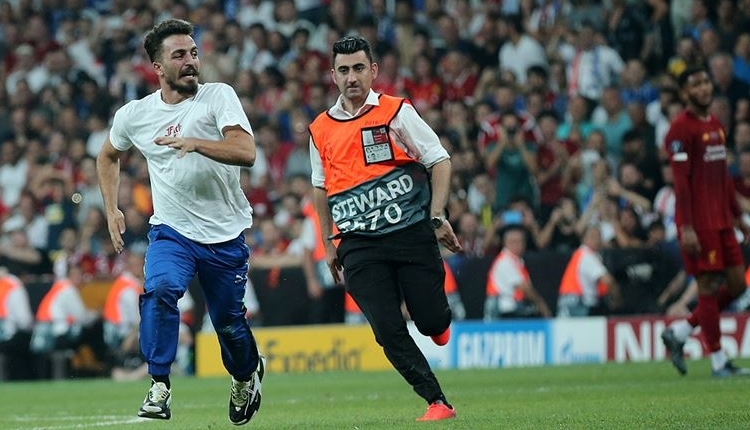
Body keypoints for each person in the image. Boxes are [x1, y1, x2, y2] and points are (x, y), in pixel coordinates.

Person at [96, 19, 264, 424]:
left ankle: (246, 375)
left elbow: (246, 151)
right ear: (158, 66)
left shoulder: (217, 97)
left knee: (227, 324)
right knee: (160, 290)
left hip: (224, 234)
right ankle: (158, 385)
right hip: (172, 231)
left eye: (193, 53)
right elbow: (107, 156)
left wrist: (198, 143)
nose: (191, 61)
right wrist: (111, 208)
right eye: (179, 55)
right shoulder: (136, 114)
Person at [308, 36, 462, 422]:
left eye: (359, 68)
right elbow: (320, 187)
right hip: (358, 243)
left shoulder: (396, 112)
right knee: (386, 327)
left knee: (428, 319)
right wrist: (329, 243)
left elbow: (439, 160)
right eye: (343, 70)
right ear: (333, 76)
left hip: (410, 233)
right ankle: (436, 401)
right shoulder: (320, 129)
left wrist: (437, 215)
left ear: (373, 71)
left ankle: (438, 324)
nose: (351, 77)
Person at [660, 66, 750, 377]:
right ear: (685, 93)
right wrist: (686, 227)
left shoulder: (715, 124)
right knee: (708, 287)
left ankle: (681, 332)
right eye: (695, 84)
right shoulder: (680, 130)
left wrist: (739, 217)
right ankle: (718, 362)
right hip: (698, 223)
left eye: (705, 82)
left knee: (738, 285)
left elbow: (723, 175)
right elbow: (681, 182)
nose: (703, 88)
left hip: (723, 219)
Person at [484, 225, 553, 320]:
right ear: (505, 243)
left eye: (520, 241)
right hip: (501, 309)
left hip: (512, 307)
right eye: (513, 242)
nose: (517, 245)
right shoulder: (505, 261)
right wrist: (541, 305)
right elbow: (524, 288)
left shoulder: (516, 261)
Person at [556, 225, 622, 317]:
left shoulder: (580, 254)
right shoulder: (587, 256)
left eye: (598, 236)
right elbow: (608, 281)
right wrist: (617, 300)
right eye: (592, 236)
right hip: (579, 305)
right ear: (584, 239)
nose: (596, 240)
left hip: (568, 303)